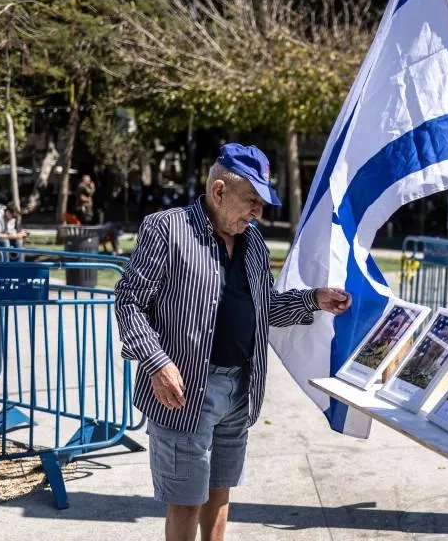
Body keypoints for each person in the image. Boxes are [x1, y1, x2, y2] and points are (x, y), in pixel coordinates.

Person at [114, 143, 352, 541]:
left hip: (240, 390)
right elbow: (128, 301)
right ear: (219, 191)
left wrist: (313, 299)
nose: (259, 212)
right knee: (186, 499)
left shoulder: (254, 243)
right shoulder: (167, 229)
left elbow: (266, 308)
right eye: (252, 201)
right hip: (186, 390)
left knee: (219, 494)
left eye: (262, 202)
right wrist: (156, 362)